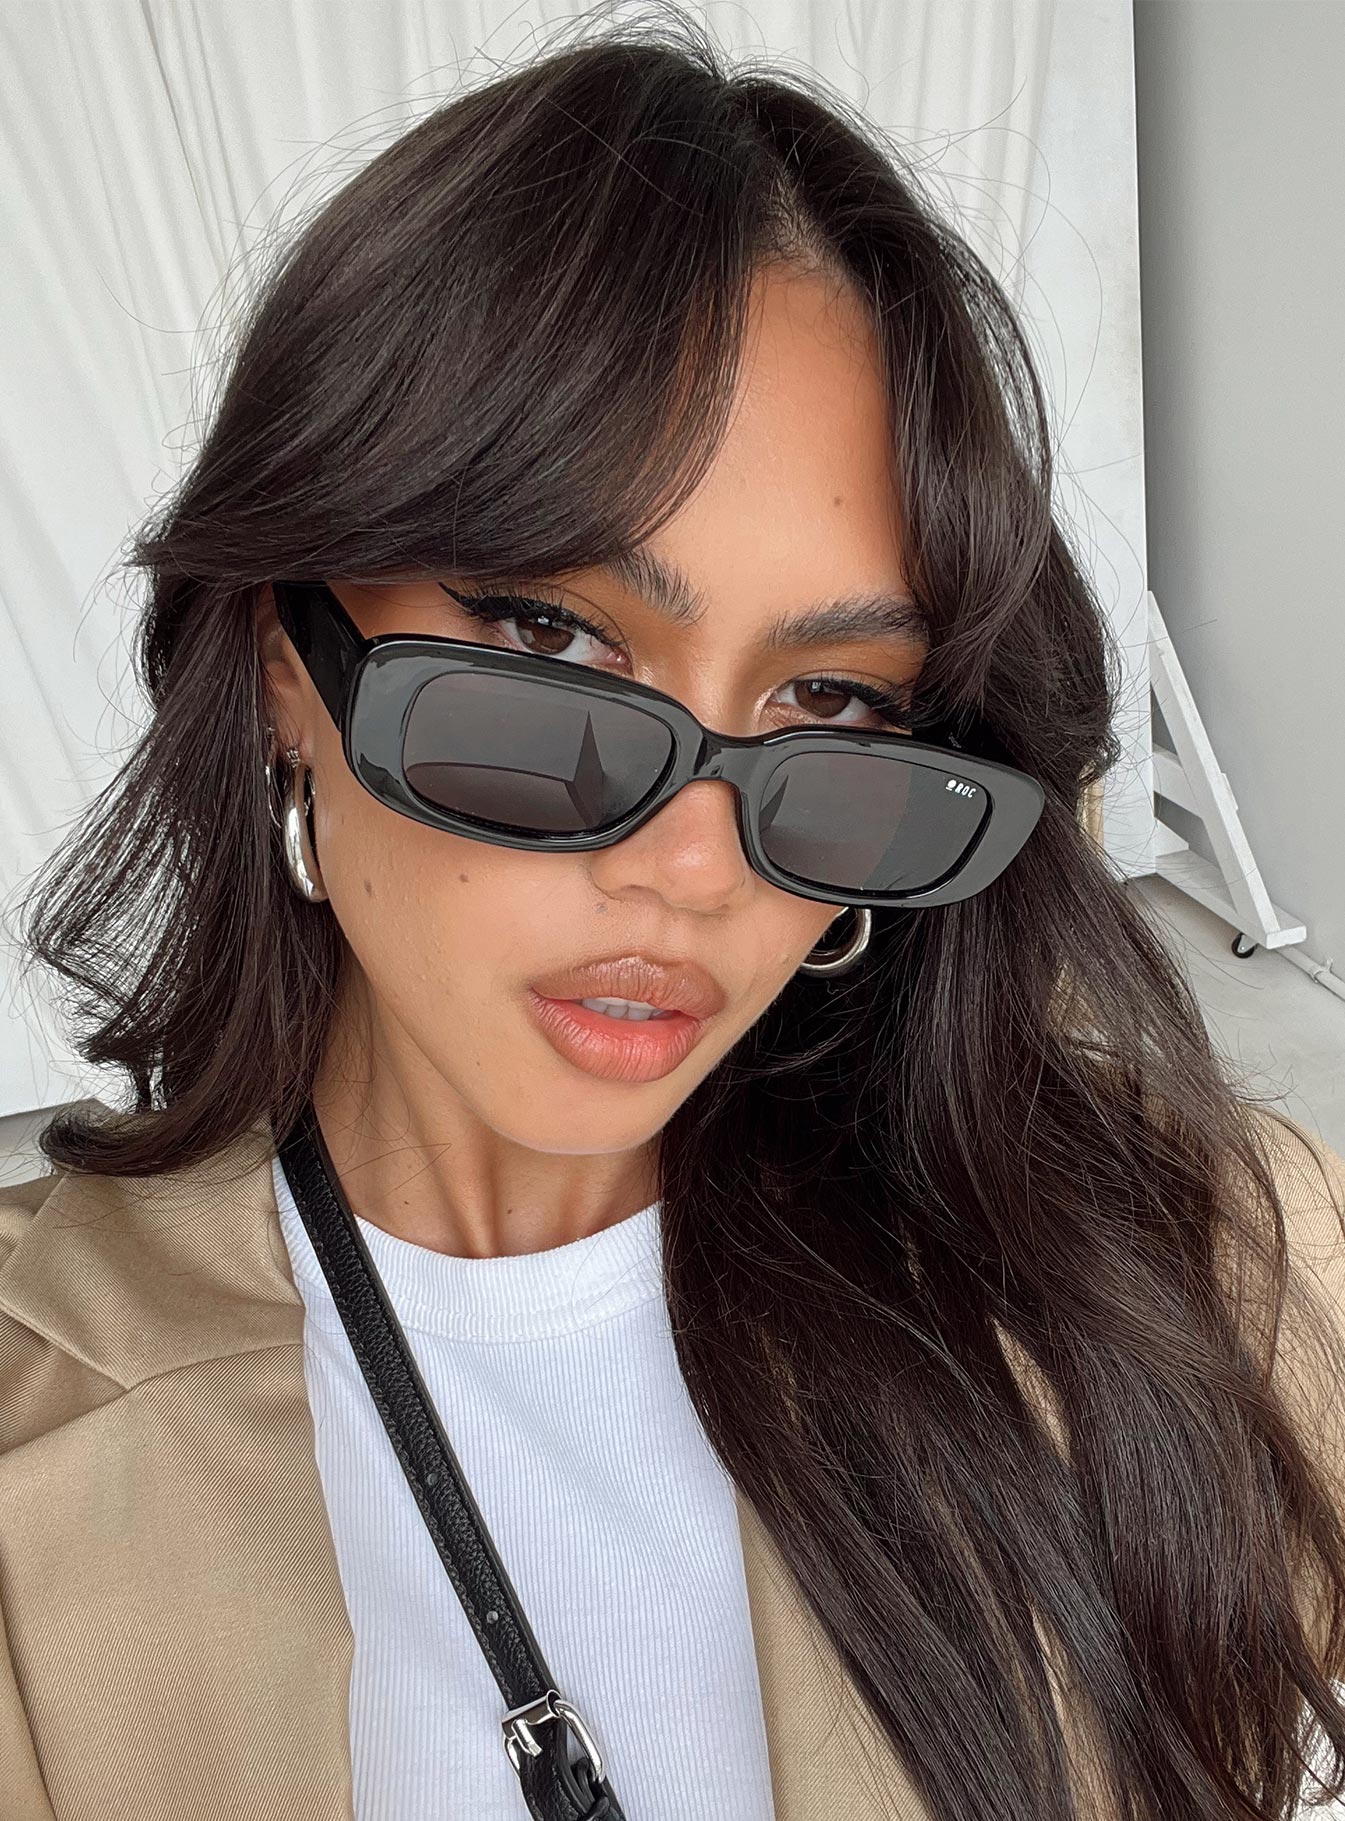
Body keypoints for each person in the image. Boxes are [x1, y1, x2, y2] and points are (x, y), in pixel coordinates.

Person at [2, 17, 1343, 1821]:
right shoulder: (36, 1440)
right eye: (551, 644)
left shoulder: (1197, 1267)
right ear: (282, 664)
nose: (697, 866)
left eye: (830, 701)